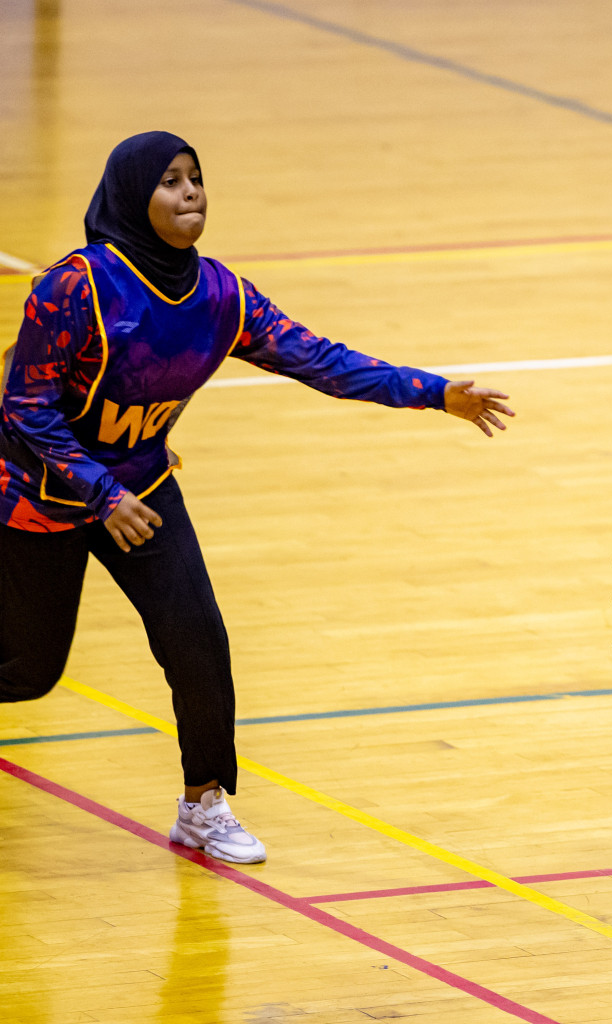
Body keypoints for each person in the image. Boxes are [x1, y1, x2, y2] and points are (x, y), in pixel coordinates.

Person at [0, 131, 515, 865]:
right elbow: (24, 409)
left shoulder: (220, 295)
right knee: (28, 670)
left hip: (142, 489)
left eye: (197, 178)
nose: (190, 193)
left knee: (198, 643)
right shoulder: (76, 287)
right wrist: (99, 492)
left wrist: (435, 393)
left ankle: (203, 803)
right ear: (130, 196)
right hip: (38, 494)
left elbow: (320, 360)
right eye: (171, 181)